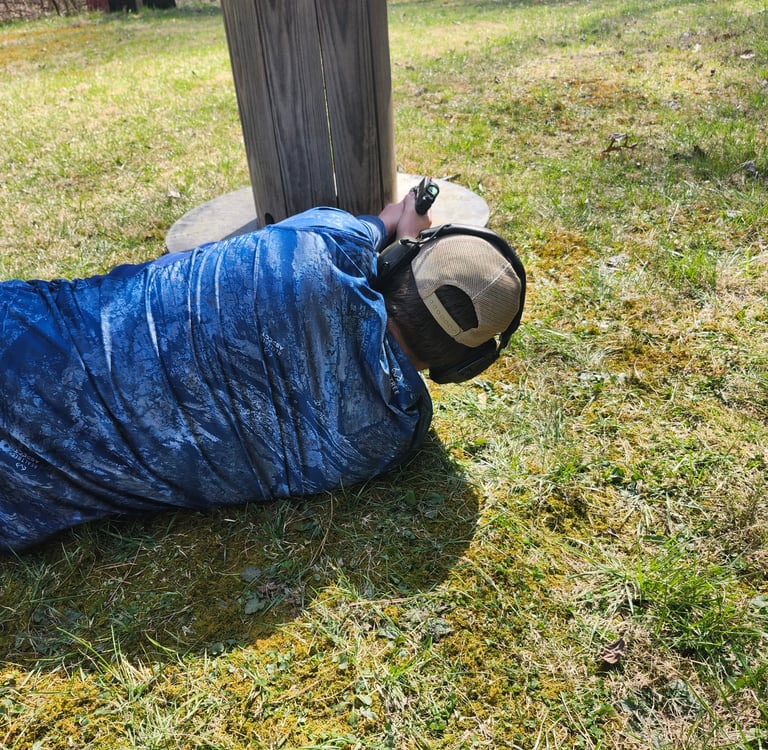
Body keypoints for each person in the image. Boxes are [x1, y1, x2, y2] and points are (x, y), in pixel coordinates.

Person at [0, 190, 525, 552]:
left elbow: (369, 234)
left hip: (22, 332)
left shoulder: (328, 246)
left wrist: (396, 223)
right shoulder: (394, 435)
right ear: (464, 366)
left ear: (396, 262)